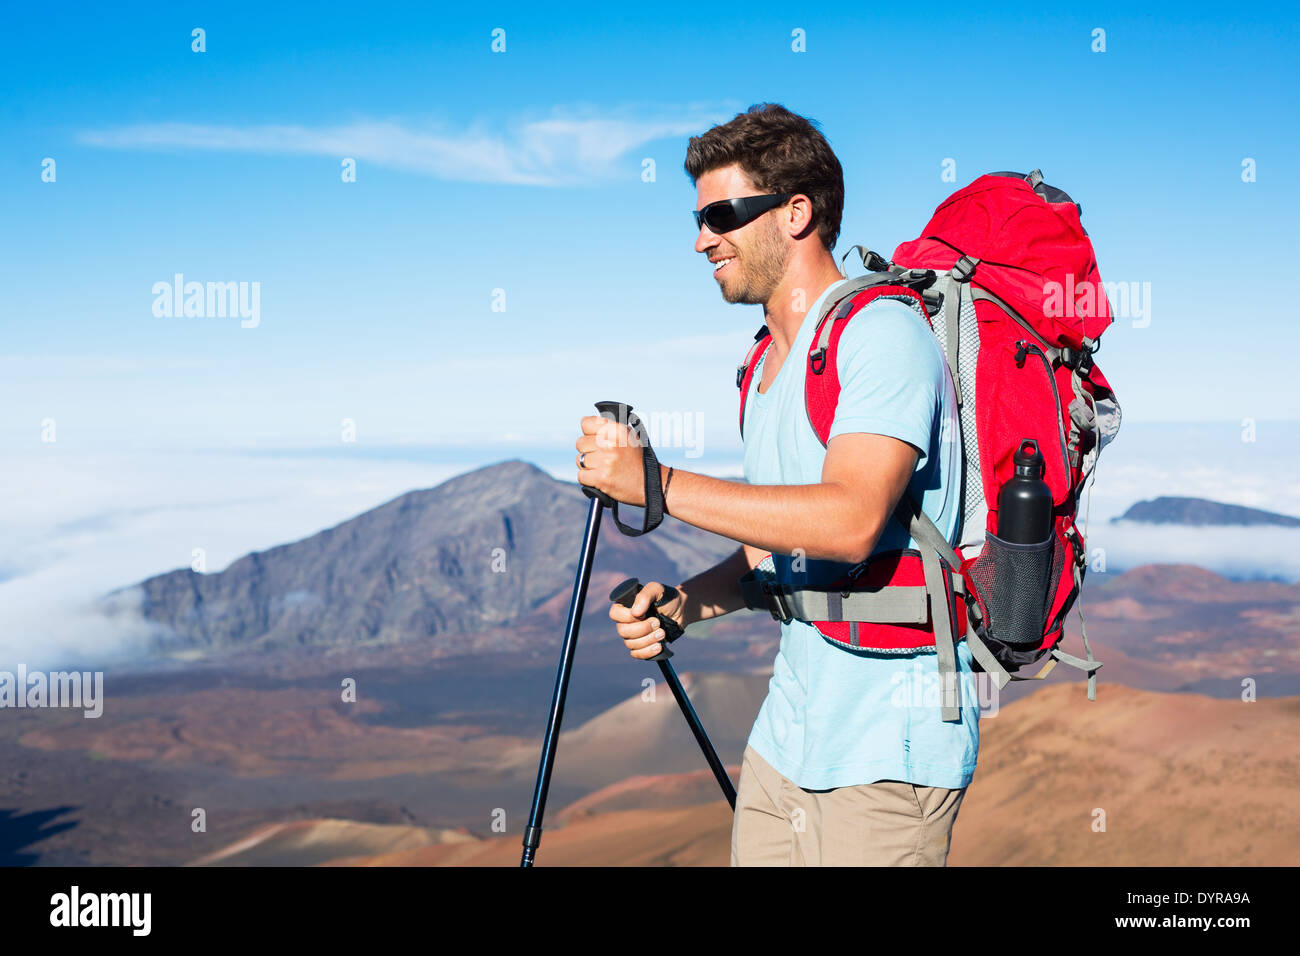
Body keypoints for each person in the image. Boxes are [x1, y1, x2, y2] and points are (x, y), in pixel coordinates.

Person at [573, 103, 977, 866]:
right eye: (697, 219)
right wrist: (685, 605)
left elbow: (852, 520)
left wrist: (653, 483)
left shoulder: (880, 337)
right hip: (787, 739)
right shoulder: (763, 369)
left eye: (722, 215)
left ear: (797, 213)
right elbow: (782, 553)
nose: (702, 240)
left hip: (888, 757)